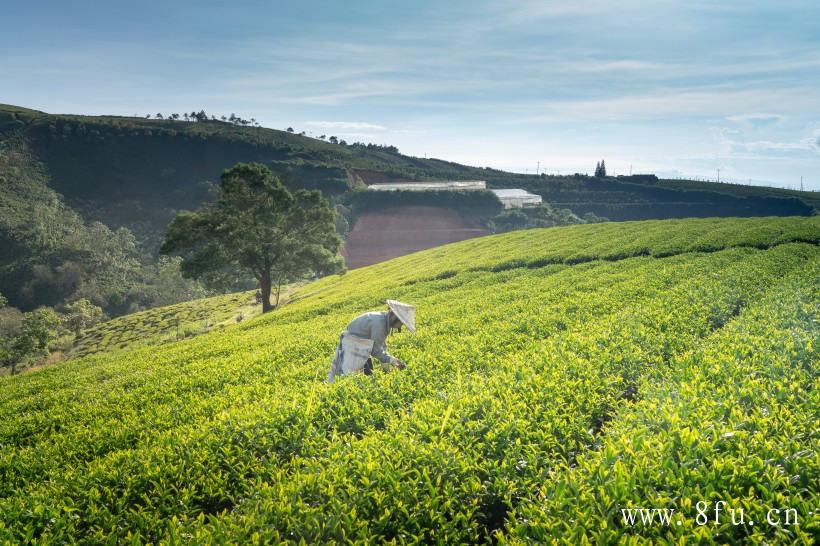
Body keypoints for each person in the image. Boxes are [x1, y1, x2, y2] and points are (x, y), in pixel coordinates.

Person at [327, 300, 415, 382]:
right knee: (347, 378)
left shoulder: (383, 319)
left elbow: (381, 346)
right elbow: (375, 351)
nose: (401, 326)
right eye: (402, 323)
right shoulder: (379, 324)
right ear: (396, 318)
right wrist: (393, 361)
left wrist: (387, 368)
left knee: (367, 375)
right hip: (353, 345)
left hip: (362, 345)